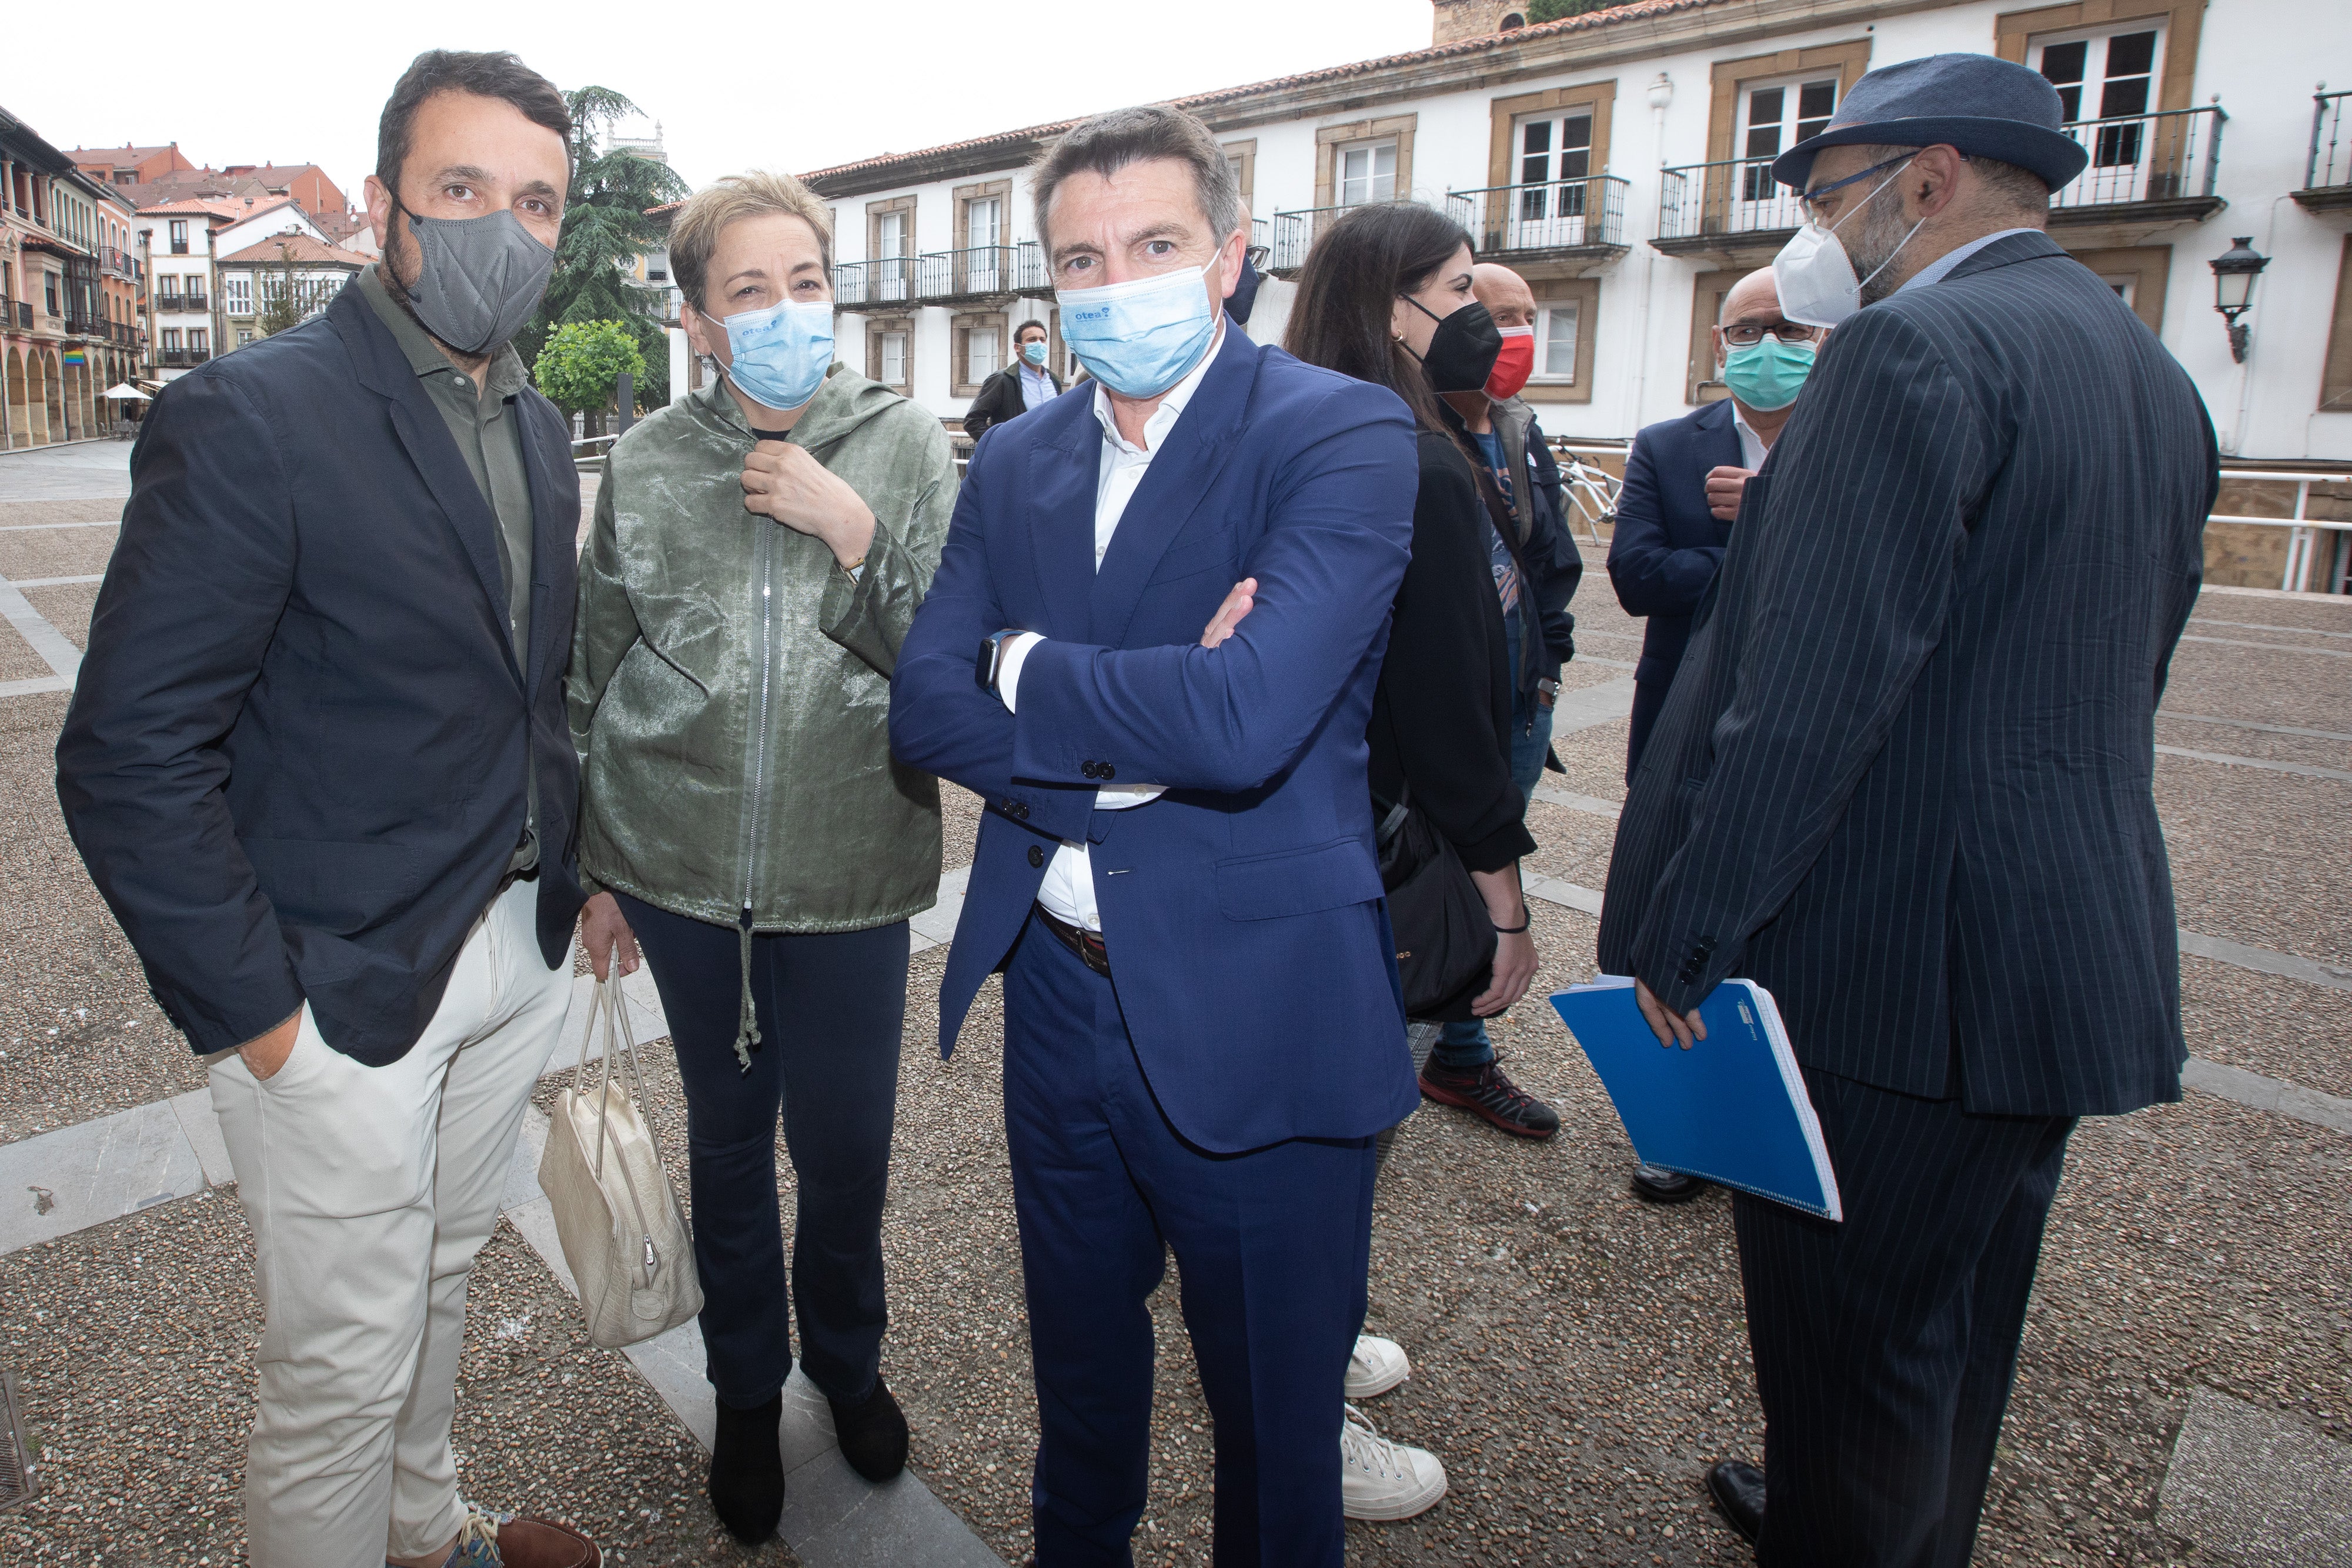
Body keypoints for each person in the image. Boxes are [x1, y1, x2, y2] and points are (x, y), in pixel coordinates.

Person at [1595, 54, 2217, 1566]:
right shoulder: (2147, 369)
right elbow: (2125, 659)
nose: (1816, 230)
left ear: (1923, 182)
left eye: (1824, 197)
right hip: (2058, 955)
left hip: (1893, 978)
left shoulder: (1907, 350)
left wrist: (1685, 938)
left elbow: (1803, 700)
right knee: (1952, 1341)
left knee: (1850, 1365)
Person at [56, 51, 599, 1568]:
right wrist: (262, 1019)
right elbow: (127, 750)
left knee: (440, 1273)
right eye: (463, 190)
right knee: (337, 1367)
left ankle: (424, 1533)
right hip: (341, 985)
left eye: (537, 201)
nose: (503, 226)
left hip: (510, 938)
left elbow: (525, 691)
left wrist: (580, 868)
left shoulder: (542, 429)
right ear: (385, 209)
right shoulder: (252, 414)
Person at [889, 105, 1424, 1566]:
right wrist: (1137, 747)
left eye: (1156, 244)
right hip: (1056, 995)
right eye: (1081, 256)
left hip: (1262, 1008)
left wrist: (1026, 665)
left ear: (1233, 255)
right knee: (1078, 1392)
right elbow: (921, 711)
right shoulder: (1014, 459)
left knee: (1273, 1435)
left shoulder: (1343, 432)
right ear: (1048, 283)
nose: (1115, 279)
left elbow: (1249, 721)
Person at [568, 171, 957, 1543]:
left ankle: (844, 1364)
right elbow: (595, 667)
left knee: (845, 1151)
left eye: (807, 281)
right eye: (750, 291)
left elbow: (953, 673)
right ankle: (745, 1393)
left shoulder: (904, 442)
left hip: (850, 868)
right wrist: (596, 866)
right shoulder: (650, 462)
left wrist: (852, 537)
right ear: (697, 319)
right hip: (680, 879)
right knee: (728, 1151)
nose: (788, 310)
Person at [1606, 264, 1821, 1205]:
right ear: (1718, 345)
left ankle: (1790, 1121)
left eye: (1791, 331)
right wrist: (1751, 547)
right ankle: (1685, 1127)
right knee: (1673, 902)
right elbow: (1638, 576)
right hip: (1682, 711)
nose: (1768, 349)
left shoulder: (1855, 440)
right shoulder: (1666, 445)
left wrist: (1780, 519)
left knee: (1792, 916)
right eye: (1746, 331)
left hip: (1810, 717)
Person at [1405, 257, 1583, 1141]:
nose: (1503, 328)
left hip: (1520, 703)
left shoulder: (1518, 427)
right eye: (1478, 302)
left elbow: (1550, 563)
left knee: (1483, 859)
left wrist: (1547, 661)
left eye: (1517, 313)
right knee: (1442, 879)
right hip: (1452, 712)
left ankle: (1460, 1051)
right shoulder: (1415, 437)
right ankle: (1429, 1052)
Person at [961, 318, 1061, 440]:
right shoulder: (1003, 379)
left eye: (1042, 339)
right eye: (1032, 340)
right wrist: (1001, 444)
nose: (1039, 344)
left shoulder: (1053, 380)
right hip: (1018, 455)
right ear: (1017, 347)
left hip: (1050, 454)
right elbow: (973, 421)